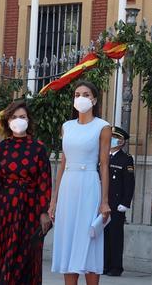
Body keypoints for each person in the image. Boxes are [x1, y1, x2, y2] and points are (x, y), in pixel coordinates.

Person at [0, 100, 52, 285]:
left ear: (29, 120)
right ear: (8, 121)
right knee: (3, 253)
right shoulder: (2, 148)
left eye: (22, 117)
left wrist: (44, 212)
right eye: (14, 117)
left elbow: (44, 182)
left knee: (26, 255)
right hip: (3, 208)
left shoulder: (38, 148)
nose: (18, 121)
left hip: (29, 210)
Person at [49, 81, 111, 282]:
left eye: (85, 94)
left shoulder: (102, 126)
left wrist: (104, 201)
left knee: (89, 239)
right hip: (68, 185)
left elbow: (104, 164)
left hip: (89, 184)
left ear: (94, 99)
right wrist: (53, 200)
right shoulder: (67, 127)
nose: (80, 98)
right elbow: (63, 162)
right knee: (68, 240)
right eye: (77, 94)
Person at [104, 125, 135, 277]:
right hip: (103, 202)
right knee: (103, 235)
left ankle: (116, 267)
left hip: (117, 205)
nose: (112, 140)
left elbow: (129, 183)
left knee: (115, 236)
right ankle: (104, 265)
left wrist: (125, 202)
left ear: (122, 141)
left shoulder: (126, 159)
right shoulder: (103, 156)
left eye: (115, 138)